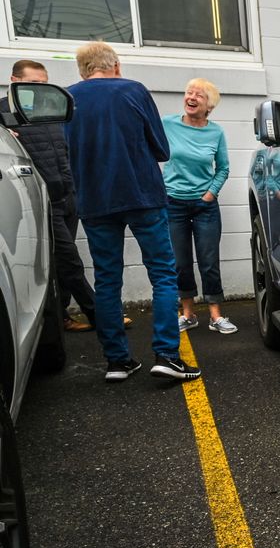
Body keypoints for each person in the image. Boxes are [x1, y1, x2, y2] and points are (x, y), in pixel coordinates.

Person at [63, 41, 200, 382]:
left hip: (95, 200)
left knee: (108, 279)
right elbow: (161, 148)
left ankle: (118, 361)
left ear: (82, 71)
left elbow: (66, 150)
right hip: (142, 194)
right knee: (162, 274)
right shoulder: (133, 90)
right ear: (117, 65)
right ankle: (167, 355)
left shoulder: (68, 98)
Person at [4, 60, 97, 331]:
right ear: (14, 81)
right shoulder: (3, 113)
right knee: (70, 259)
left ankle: (62, 318)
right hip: (40, 201)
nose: (40, 89)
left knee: (61, 263)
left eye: (44, 84)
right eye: (33, 84)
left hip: (68, 195)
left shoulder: (54, 109)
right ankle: (100, 316)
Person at [162, 79, 236, 334]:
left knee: (208, 261)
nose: (191, 97)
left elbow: (223, 168)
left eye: (199, 95)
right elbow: (149, 151)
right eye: (189, 93)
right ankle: (188, 314)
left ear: (209, 106)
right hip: (173, 204)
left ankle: (216, 315)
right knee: (180, 262)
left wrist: (210, 194)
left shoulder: (215, 132)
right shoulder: (167, 124)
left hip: (204, 206)